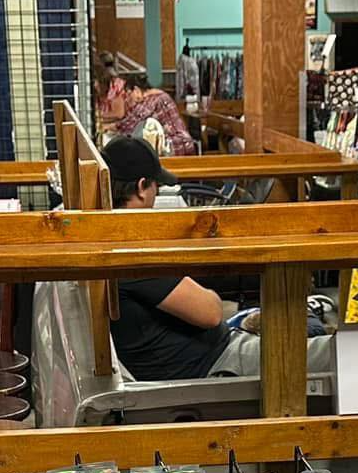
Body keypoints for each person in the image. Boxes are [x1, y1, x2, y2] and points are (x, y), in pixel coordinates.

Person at [103, 136, 333, 382]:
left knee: (305, 328)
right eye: (155, 187)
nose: (156, 194)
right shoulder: (129, 250)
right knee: (339, 352)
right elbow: (210, 313)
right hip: (219, 362)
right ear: (140, 187)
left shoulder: (107, 236)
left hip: (210, 353)